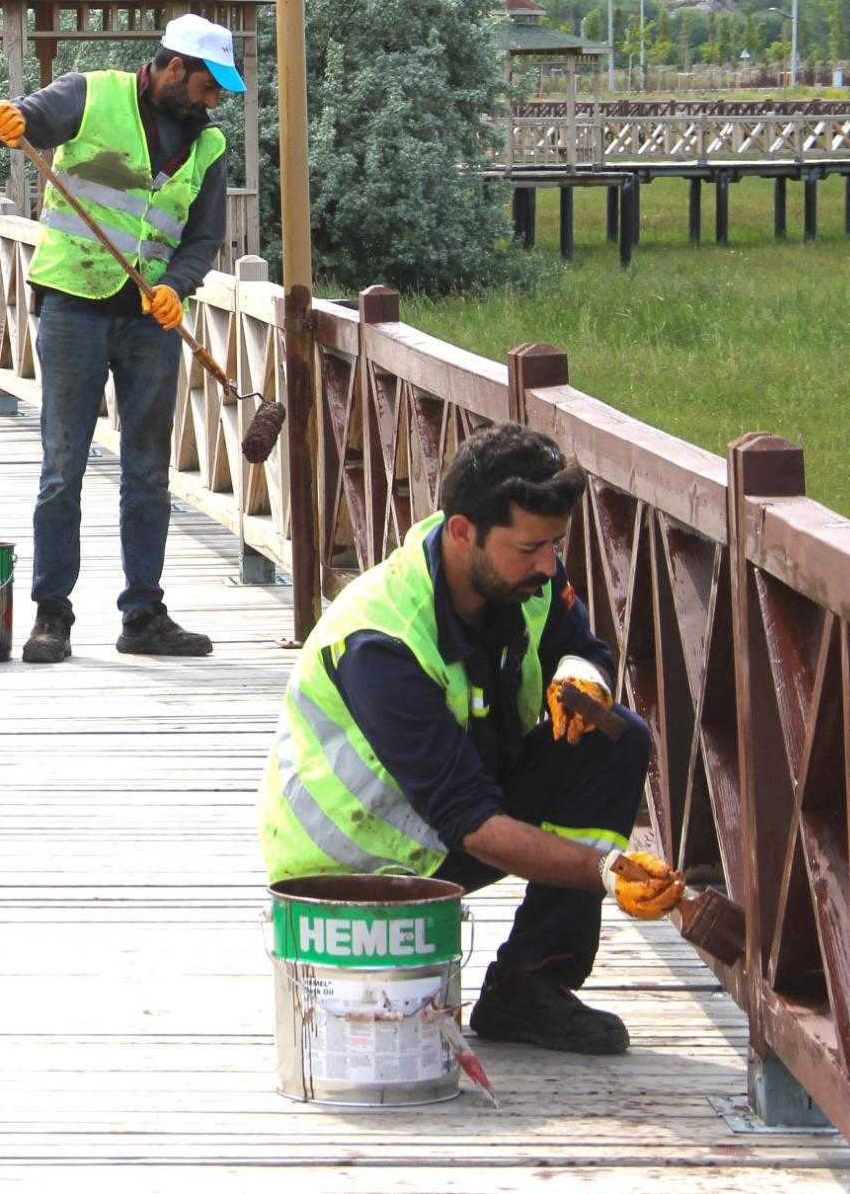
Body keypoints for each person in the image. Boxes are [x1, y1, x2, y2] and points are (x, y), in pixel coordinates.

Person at [258, 425, 684, 1055]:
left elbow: (584, 645)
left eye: (555, 546)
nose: (548, 565)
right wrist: (609, 872)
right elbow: (471, 822)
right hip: (357, 873)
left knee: (615, 740)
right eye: (530, 548)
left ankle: (530, 987)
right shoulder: (383, 643)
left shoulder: (520, 573)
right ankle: (528, 970)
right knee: (518, 807)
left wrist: (581, 678)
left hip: (452, 812)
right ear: (462, 533)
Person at [0, 12, 239, 664]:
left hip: (150, 318)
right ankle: (51, 615)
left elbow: (201, 239)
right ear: (174, 69)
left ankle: (143, 614)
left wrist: (179, 284)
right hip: (74, 307)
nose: (213, 100)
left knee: (148, 469)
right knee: (64, 467)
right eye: (207, 86)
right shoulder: (89, 95)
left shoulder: (209, 147)